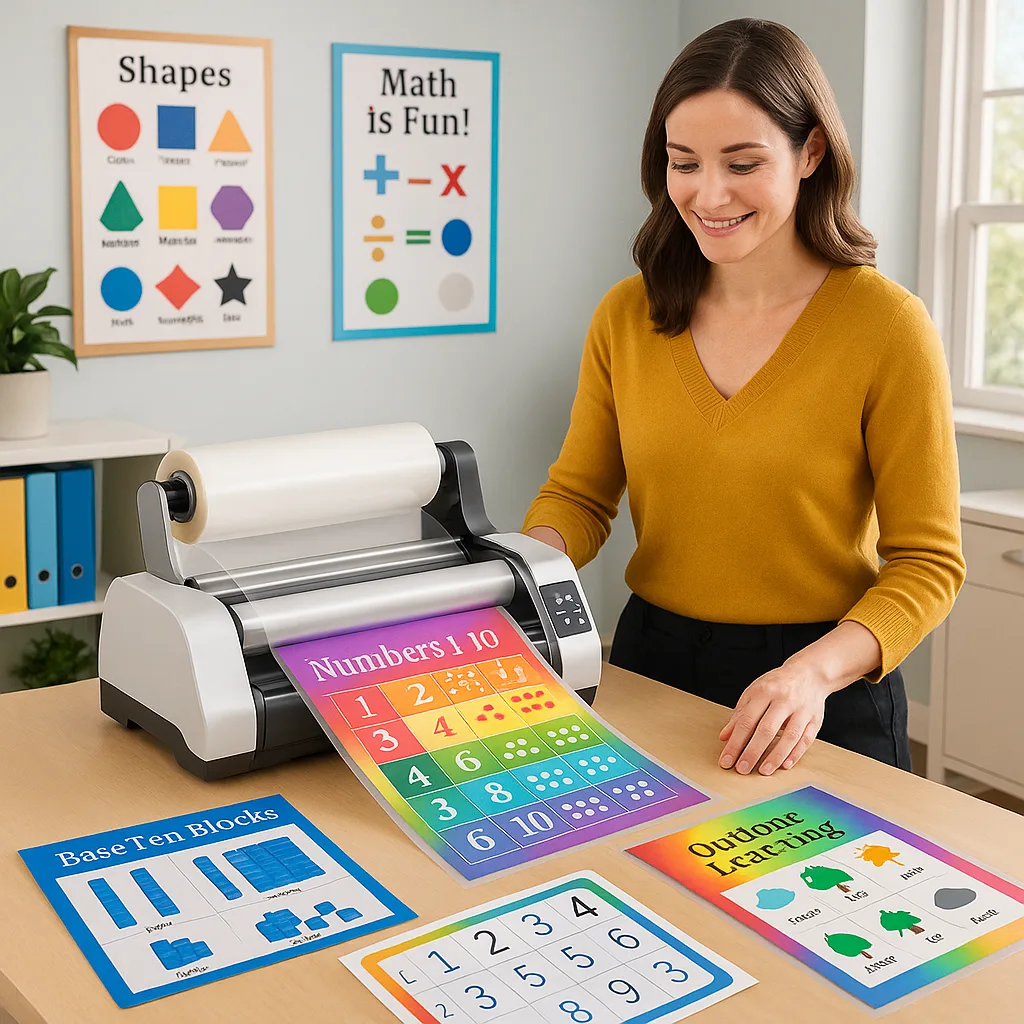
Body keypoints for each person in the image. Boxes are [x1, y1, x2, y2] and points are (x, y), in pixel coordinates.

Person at [522, 18, 965, 777]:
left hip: (822, 686)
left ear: (812, 152)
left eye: (742, 162)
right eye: (683, 162)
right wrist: (513, 582)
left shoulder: (887, 326)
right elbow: (579, 498)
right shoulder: (627, 315)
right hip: (648, 665)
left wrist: (812, 674)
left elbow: (926, 563)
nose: (708, 193)